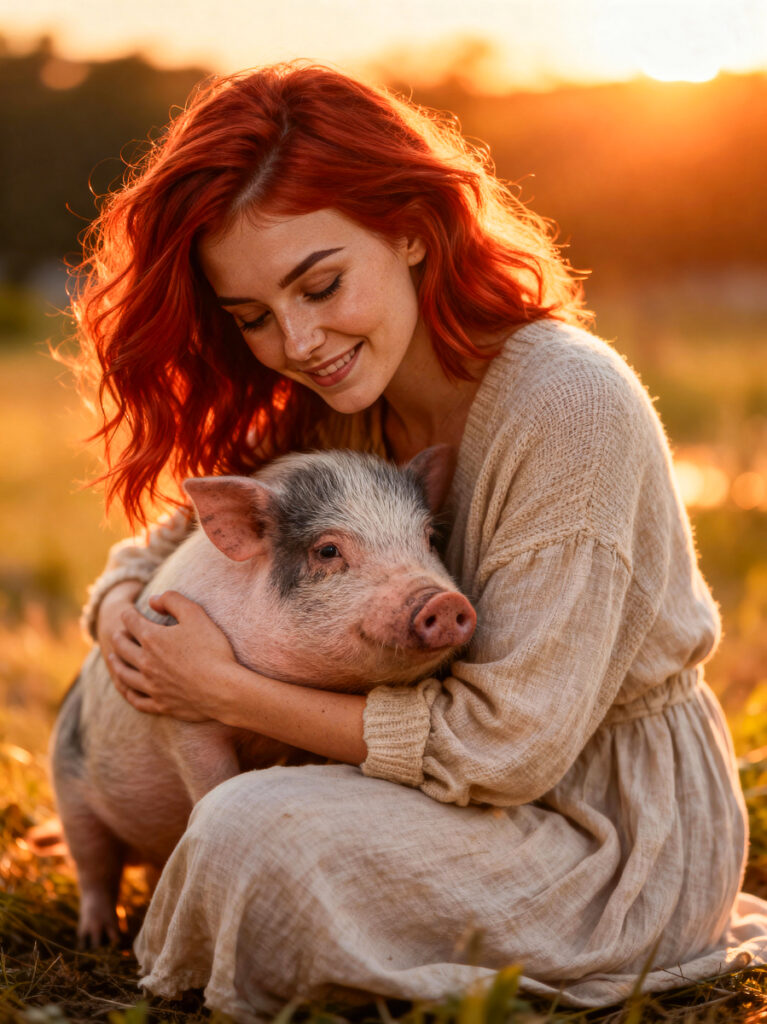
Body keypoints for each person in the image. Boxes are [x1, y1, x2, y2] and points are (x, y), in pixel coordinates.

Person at [70, 63, 767, 1022]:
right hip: (440, 798)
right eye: (254, 319)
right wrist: (123, 623)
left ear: (408, 225)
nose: (300, 339)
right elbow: (158, 554)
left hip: (603, 834)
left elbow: (508, 750)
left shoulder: (566, 405)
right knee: (249, 825)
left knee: (248, 831)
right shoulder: (338, 412)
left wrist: (225, 691)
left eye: (320, 285)